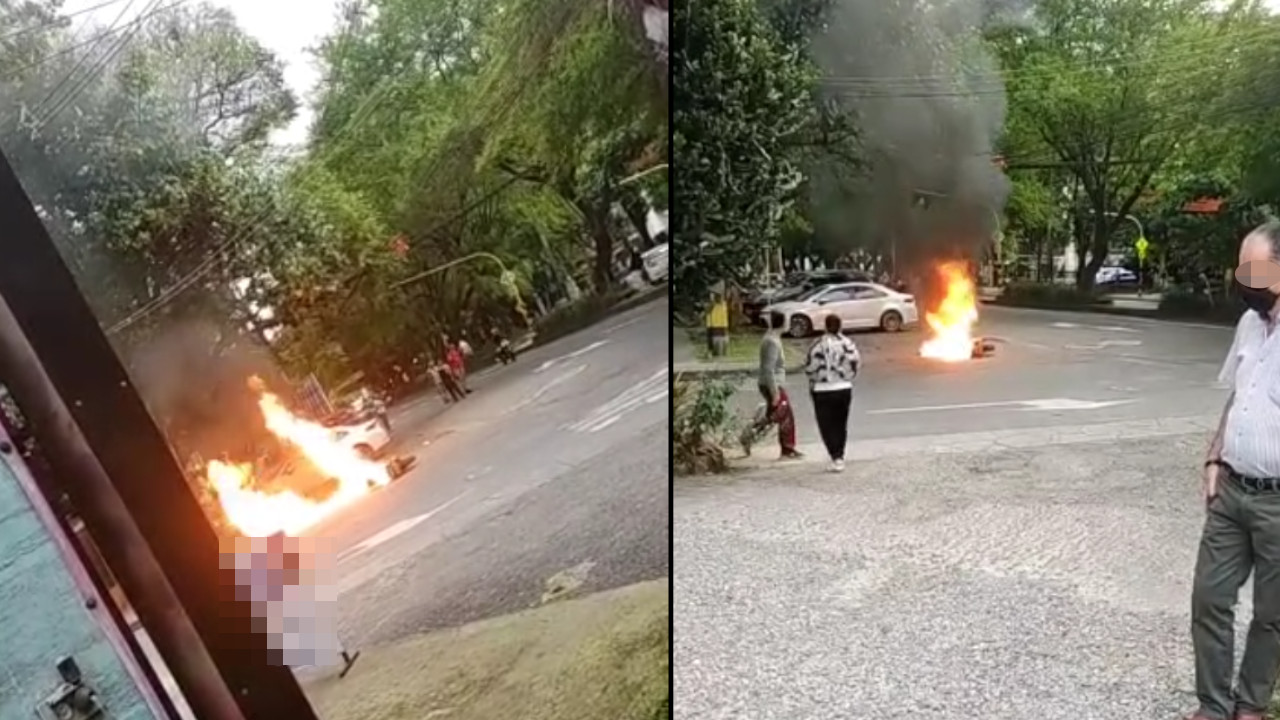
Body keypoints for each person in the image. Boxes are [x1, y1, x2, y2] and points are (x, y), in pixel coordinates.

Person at [1186, 222, 1280, 720]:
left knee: (1273, 613)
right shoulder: (1248, 324)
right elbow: (1237, 399)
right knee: (1209, 599)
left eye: (1254, 269)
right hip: (1231, 490)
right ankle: (1213, 705)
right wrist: (1213, 455)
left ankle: (1251, 707)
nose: (1243, 279)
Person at [803, 313, 860, 472]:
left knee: (826, 425)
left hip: (823, 389)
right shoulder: (848, 343)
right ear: (840, 326)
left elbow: (810, 367)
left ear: (825, 326)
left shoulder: (817, 345)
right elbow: (855, 362)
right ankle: (840, 455)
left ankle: (834, 455)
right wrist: (847, 377)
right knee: (841, 424)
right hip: (843, 388)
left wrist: (817, 379)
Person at [742, 311, 800, 458]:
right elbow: (769, 369)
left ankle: (752, 434)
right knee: (783, 415)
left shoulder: (772, 338)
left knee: (777, 415)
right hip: (772, 384)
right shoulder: (772, 342)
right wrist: (775, 393)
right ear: (783, 323)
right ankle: (786, 448)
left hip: (772, 383)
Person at [706, 292, 729, 357]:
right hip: (712, 325)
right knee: (711, 340)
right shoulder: (712, 304)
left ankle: (722, 352)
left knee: (722, 340)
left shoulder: (723, 304)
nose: (720, 299)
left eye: (721, 297)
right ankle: (711, 352)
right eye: (718, 297)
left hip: (722, 325)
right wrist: (712, 303)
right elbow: (708, 311)